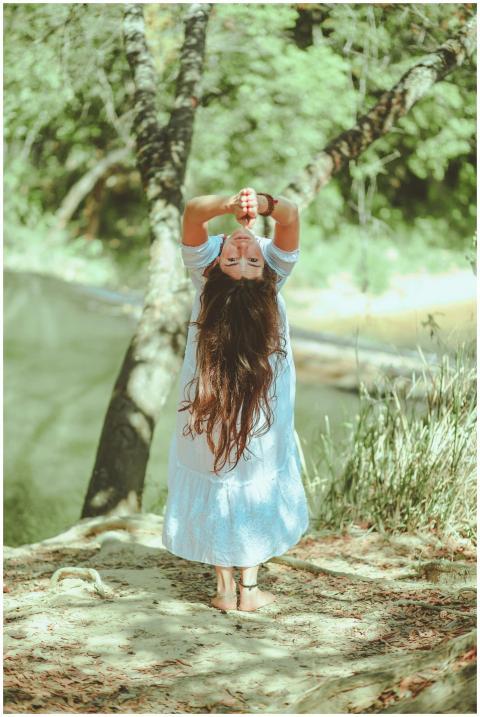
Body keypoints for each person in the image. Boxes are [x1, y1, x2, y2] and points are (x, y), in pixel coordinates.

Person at [162, 187, 309, 612]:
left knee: (220, 474)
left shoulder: (206, 274)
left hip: (218, 402)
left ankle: (226, 590)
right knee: (245, 475)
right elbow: (289, 217)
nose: (244, 250)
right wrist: (259, 205)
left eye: (244, 259)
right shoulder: (273, 275)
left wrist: (234, 205)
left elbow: (193, 214)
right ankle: (248, 589)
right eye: (236, 259)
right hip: (246, 401)